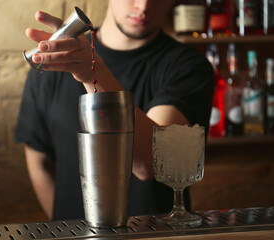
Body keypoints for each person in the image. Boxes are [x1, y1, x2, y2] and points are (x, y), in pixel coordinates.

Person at [15, 0, 214, 221]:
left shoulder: (189, 66)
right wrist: (65, 228)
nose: (144, 6)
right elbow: (38, 162)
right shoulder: (57, 61)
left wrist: (93, 75)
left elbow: (153, 163)